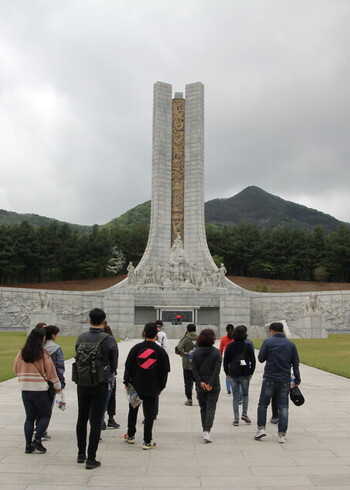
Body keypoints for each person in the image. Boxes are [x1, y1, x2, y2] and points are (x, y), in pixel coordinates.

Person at [75, 308, 118, 469]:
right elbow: (114, 364)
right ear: (104, 320)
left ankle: (80, 454)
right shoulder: (108, 339)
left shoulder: (81, 337)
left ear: (90, 321)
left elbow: (78, 357)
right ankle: (91, 458)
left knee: (82, 418)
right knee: (96, 420)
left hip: (83, 382)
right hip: (100, 383)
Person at [13, 327, 61, 454]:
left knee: (30, 417)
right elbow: (51, 372)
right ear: (42, 339)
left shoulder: (22, 352)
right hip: (39, 389)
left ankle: (28, 445)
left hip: (25, 388)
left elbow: (15, 369)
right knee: (45, 415)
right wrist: (57, 385)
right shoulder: (43, 353)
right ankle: (37, 440)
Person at [123, 322, 170, 450]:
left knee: (133, 410)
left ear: (143, 333)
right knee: (149, 414)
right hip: (152, 386)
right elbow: (164, 372)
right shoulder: (160, 351)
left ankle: (131, 435)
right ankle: (147, 440)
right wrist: (161, 387)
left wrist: (126, 382)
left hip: (135, 386)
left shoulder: (136, 348)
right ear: (156, 335)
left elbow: (128, 367)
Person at [255, 322, 301, 444]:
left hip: (270, 377)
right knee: (283, 407)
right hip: (284, 379)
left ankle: (261, 429)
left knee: (263, 404)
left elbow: (260, 359)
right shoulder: (290, 344)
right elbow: (295, 363)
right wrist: (297, 379)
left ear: (272, 331)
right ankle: (281, 434)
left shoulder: (268, 342)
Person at [191, 328, 221, 443]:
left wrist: (200, 382)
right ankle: (207, 431)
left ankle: (205, 430)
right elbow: (216, 370)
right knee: (210, 407)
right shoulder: (216, 352)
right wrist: (211, 383)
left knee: (203, 408)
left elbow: (194, 369)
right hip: (213, 384)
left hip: (201, 384)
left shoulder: (196, 353)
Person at [223, 325, 256, 426]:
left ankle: (236, 418)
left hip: (233, 373)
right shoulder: (248, 345)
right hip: (245, 373)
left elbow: (226, 360)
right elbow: (253, 360)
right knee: (245, 394)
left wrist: (226, 372)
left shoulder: (230, 346)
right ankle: (244, 413)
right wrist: (251, 372)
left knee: (235, 396)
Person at [42, 325, 66, 439]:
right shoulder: (56, 348)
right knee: (47, 408)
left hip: (38, 380)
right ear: (53, 335)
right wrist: (60, 382)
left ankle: (36, 429)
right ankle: (42, 431)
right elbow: (59, 367)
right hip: (51, 381)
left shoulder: (38, 347)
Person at [101, 324, 120, 430]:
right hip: (108, 374)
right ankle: (111, 419)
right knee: (111, 396)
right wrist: (113, 370)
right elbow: (114, 358)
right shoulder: (111, 341)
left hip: (96, 374)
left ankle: (101, 419)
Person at [176, 323, 197, 405]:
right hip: (198, 364)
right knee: (198, 381)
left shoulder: (185, 339)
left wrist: (183, 354)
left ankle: (189, 399)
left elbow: (178, 348)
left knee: (188, 383)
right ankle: (199, 394)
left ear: (187, 330)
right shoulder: (200, 338)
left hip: (187, 364)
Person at [219, 324, 234, 394]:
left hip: (227, 358)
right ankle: (234, 386)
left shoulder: (224, 338)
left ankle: (228, 389)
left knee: (228, 374)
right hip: (234, 358)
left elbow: (221, 349)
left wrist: (220, 357)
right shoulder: (235, 338)